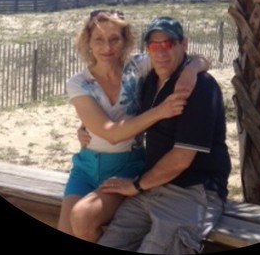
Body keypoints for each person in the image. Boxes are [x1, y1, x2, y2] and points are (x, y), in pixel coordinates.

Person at [57, 10, 210, 241]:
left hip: (127, 165)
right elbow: (110, 134)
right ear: (88, 42)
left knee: (83, 216)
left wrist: (191, 70)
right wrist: (160, 111)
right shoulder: (78, 83)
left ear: (125, 40)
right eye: (99, 40)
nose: (107, 48)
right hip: (85, 167)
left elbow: (197, 58)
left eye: (114, 39)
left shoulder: (138, 67)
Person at [96, 16, 231, 254]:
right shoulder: (150, 80)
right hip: (152, 185)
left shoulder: (200, 87)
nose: (160, 52)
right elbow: (125, 117)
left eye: (168, 43)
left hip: (193, 191)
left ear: (183, 44)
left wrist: (137, 185)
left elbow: (181, 159)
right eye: (153, 45)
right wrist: (87, 130)